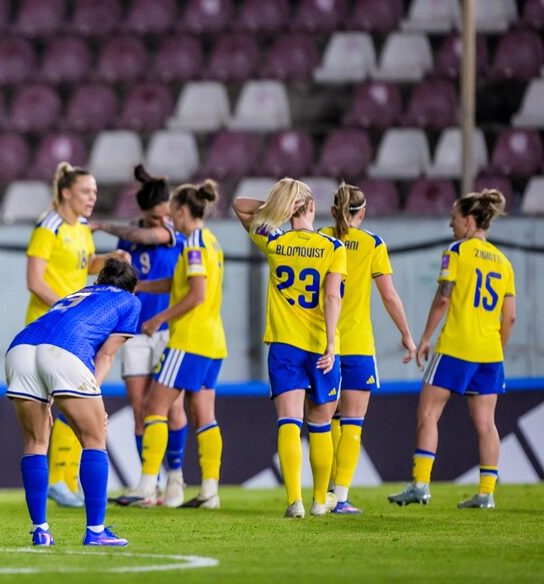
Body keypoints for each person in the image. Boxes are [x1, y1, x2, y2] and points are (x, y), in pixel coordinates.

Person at [389, 190, 515, 510]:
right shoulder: (504, 262)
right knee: (487, 423)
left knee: (428, 414)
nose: (451, 225)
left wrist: (426, 337)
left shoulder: (457, 251)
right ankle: (486, 493)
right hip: (490, 353)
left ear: (469, 221)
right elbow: (510, 316)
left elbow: (444, 297)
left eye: (454, 219)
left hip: (457, 346)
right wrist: (496, 349)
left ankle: (421, 484)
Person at [7, 258, 141, 546]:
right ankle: (96, 531)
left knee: (36, 442)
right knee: (95, 437)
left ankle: (41, 530)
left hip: (20, 347)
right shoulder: (129, 301)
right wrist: (92, 393)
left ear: (99, 281)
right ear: (132, 288)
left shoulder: (79, 293)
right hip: (64, 352)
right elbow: (106, 355)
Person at [233, 178, 346, 518]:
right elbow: (331, 296)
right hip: (319, 345)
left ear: (289, 209)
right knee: (321, 423)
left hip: (284, 345)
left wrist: (274, 206)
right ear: (312, 208)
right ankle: (320, 501)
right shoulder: (333, 247)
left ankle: (294, 501)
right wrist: (330, 343)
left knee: (289, 421)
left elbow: (239, 205)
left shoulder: (274, 240)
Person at [116, 180, 227, 509]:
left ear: (181, 211)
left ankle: (146, 485)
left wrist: (157, 318)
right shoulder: (211, 241)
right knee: (204, 415)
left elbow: (196, 295)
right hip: (213, 341)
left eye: (172, 212)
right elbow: (181, 284)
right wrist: (143, 286)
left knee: (154, 407)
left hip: (188, 339)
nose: (170, 219)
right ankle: (210, 490)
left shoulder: (192, 245)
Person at [25, 162, 129, 508]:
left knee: (77, 400)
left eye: (95, 192)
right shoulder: (49, 226)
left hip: (77, 330)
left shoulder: (82, 227)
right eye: (86, 191)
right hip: (48, 326)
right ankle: (57, 479)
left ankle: (64, 480)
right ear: (66, 192)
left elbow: (85, 264)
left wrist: (110, 259)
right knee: (55, 404)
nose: (92, 197)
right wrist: (65, 308)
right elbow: (35, 280)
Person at [92, 165, 189, 507]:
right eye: (156, 216)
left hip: (167, 330)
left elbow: (148, 237)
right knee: (139, 409)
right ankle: (150, 484)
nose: (163, 220)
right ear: (144, 213)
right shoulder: (129, 238)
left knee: (172, 407)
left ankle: (176, 476)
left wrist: (101, 225)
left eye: (166, 214)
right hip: (134, 332)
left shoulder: (173, 232)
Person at [319, 184, 416, 514]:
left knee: (326, 419)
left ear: (334, 211)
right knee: (353, 422)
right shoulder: (373, 243)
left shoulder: (320, 239)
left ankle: (324, 492)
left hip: (322, 343)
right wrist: (406, 335)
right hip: (358, 344)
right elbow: (389, 295)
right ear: (362, 212)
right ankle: (341, 497)